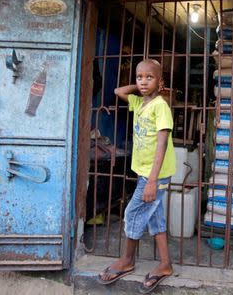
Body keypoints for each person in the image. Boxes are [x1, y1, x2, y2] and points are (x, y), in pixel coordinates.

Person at [97, 59, 176, 294]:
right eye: (139, 77)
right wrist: (140, 84)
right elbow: (117, 91)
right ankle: (165, 265)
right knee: (155, 217)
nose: (143, 81)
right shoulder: (139, 102)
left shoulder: (160, 106)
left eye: (149, 77)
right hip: (145, 171)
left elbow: (162, 145)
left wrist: (152, 180)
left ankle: (127, 261)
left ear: (160, 81)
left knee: (132, 213)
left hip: (155, 174)